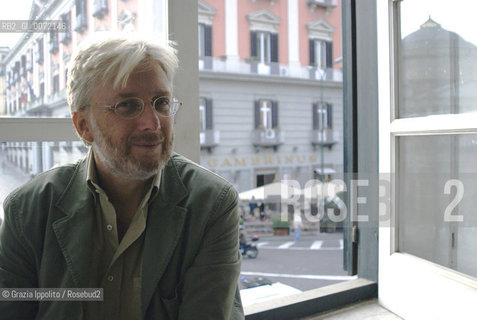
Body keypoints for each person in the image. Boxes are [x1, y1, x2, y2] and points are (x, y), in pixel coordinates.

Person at [0, 33, 243, 319]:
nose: (152, 124)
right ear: (84, 126)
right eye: (127, 105)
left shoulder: (212, 204)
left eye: (161, 103)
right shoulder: (28, 210)